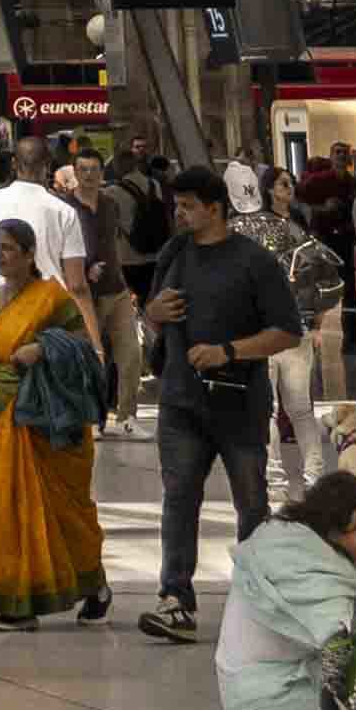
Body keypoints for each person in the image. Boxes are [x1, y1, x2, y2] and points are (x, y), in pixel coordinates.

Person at [135, 168, 295, 637]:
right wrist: (152, 315)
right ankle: (175, 597)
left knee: (251, 501)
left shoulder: (253, 262)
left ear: (215, 208)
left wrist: (228, 352)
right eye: (176, 205)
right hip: (181, 401)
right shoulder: (174, 254)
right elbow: (155, 317)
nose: (179, 214)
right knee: (179, 499)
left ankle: (254, 596)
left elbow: (286, 331)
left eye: (187, 206)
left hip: (239, 404)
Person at [0, 191, 114, 628]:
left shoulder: (53, 299)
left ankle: (94, 585)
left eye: (8, 249)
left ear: (31, 254)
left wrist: (43, 347)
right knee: (8, 509)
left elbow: (83, 352)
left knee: (63, 509)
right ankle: (19, 602)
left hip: (47, 420)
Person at [213, 474, 356, 710]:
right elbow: (337, 654)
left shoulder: (296, 542)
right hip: (268, 698)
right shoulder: (308, 566)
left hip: (272, 683)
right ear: (333, 533)